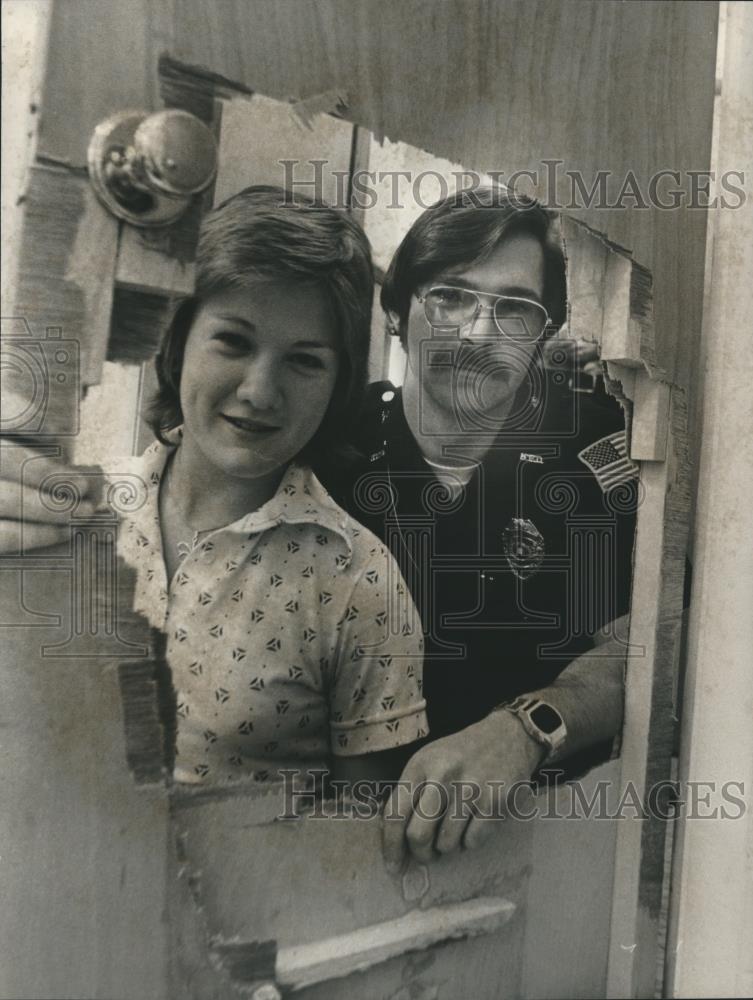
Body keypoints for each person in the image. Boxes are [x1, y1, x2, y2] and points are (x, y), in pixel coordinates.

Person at [0, 185, 428, 788]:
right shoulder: (70, 516)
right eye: (233, 341)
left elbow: (358, 840)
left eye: (305, 361)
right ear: (177, 344)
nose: (259, 391)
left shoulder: (361, 581)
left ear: (340, 383)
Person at [318, 186, 638, 865]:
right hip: (341, 848)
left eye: (515, 308)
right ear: (398, 309)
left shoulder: (581, 453)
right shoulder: (329, 455)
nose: (478, 332)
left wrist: (527, 727)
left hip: (549, 847)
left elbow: (639, 645)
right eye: (450, 296)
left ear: (544, 333)